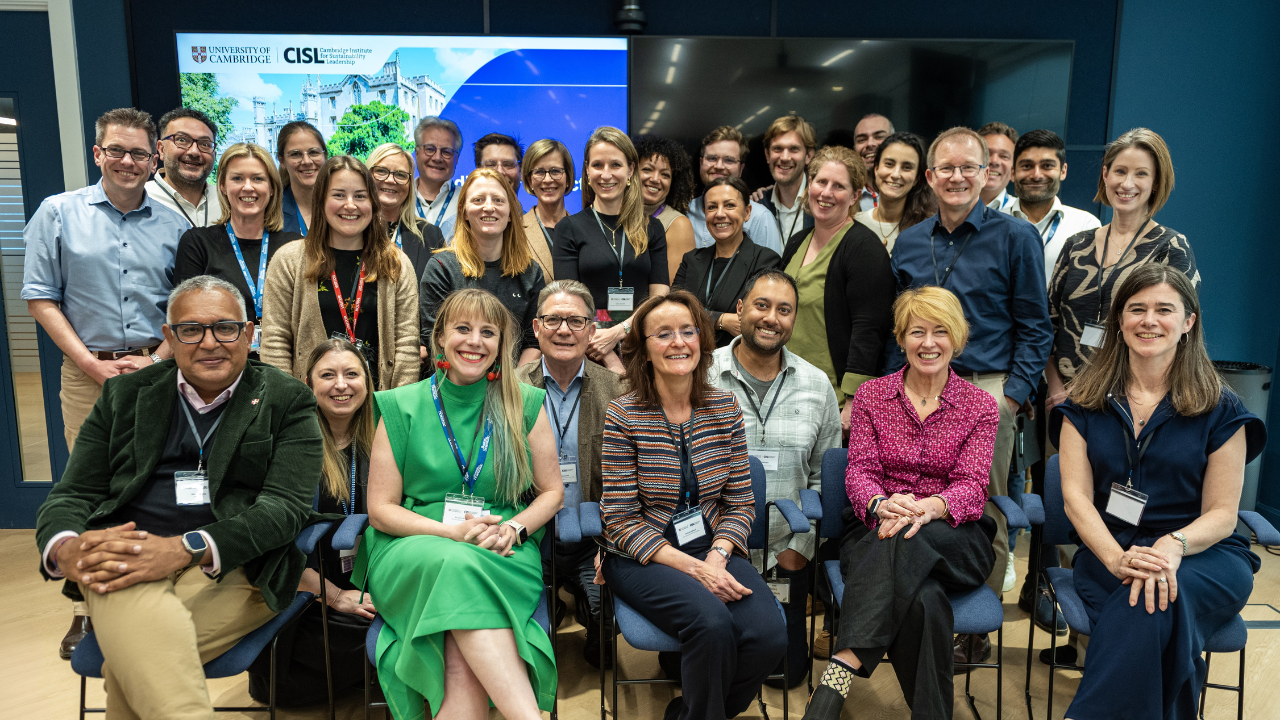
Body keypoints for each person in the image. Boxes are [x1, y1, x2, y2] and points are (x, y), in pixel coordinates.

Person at [35, 275, 324, 719]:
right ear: (169, 338)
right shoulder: (124, 394)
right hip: (122, 553)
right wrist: (66, 548)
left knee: (132, 661)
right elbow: (73, 493)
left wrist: (183, 549)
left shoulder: (286, 400)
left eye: (226, 328)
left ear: (249, 334)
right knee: (137, 619)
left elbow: (284, 511)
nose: (210, 343)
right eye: (191, 329)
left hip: (235, 566)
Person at [1050, 265, 1264, 720]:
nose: (1149, 320)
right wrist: (1115, 557)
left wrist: (1172, 545)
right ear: (1119, 321)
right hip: (1110, 550)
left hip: (1205, 555)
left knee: (1152, 597)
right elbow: (1076, 499)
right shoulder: (1083, 403)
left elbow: (1224, 514)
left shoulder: (1222, 409)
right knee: (1153, 603)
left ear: (1188, 321)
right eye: (1136, 309)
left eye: (1164, 309)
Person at [359, 287, 564, 719]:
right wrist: (449, 533)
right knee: (454, 562)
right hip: (414, 544)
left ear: (502, 345)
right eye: (463, 329)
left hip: (500, 544)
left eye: (488, 332)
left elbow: (552, 492)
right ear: (440, 338)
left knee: (460, 660)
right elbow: (381, 509)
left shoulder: (525, 404)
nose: (475, 341)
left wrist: (515, 529)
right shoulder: (401, 405)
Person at [888, 126, 1052, 663]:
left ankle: (975, 624)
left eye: (969, 168)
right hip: (918, 384)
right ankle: (922, 603)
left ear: (987, 175)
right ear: (930, 177)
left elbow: (1036, 326)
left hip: (986, 390)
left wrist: (1011, 396)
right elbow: (902, 325)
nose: (957, 177)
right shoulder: (910, 240)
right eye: (946, 169)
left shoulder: (1015, 236)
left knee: (983, 504)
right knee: (919, 491)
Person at [802, 286, 999, 720]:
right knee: (925, 600)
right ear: (901, 337)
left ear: (958, 337)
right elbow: (860, 473)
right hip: (877, 528)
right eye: (917, 332)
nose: (928, 343)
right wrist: (879, 504)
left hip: (954, 537)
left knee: (909, 538)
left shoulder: (980, 405)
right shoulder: (873, 396)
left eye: (940, 331)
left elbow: (971, 485)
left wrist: (930, 506)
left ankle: (844, 663)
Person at [600, 290, 788, 720]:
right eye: (663, 334)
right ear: (644, 349)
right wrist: (696, 569)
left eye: (687, 331)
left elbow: (740, 500)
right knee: (711, 624)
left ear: (702, 342)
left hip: (709, 545)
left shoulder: (724, 407)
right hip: (638, 555)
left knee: (769, 635)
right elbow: (620, 518)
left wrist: (718, 556)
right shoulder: (623, 415)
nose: (678, 342)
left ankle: (693, 714)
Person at [708, 269, 841, 687]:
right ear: (741, 309)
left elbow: (825, 477)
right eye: (762, 305)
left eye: (784, 310)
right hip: (712, 549)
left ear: (794, 320)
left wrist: (801, 548)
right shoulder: (701, 376)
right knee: (700, 669)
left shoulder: (817, 385)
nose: (772, 318)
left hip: (788, 549)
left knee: (786, 677)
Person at [247, 337, 377, 705]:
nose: (341, 384)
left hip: (366, 581)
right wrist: (335, 597)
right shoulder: (287, 446)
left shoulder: (382, 441)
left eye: (352, 374)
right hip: (302, 594)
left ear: (367, 384)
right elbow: (272, 545)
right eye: (327, 375)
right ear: (308, 384)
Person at [515, 279, 628, 667]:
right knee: (527, 635)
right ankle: (551, 601)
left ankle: (587, 605)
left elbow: (629, 481)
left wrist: (611, 543)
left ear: (592, 331)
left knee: (605, 645)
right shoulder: (509, 390)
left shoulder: (617, 391)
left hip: (594, 537)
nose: (564, 330)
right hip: (530, 534)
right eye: (554, 320)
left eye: (576, 321)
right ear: (536, 327)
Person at [261, 155, 420, 391]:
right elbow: (275, 343)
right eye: (338, 195)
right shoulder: (288, 261)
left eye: (360, 196)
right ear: (321, 201)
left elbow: (407, 345)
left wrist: (394, 412)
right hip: (309, 408)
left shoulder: (396, 263)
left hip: (378, 404)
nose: (350, 205)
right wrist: (292, 410)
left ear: (373, 203)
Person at [780, 146, 896, 423]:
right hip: (787, 390)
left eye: (839, 186)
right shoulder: (798, 241)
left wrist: (854, 400)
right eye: (821, 181)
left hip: (833, 399)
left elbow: (869, 329)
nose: (826, 193)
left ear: (856, 195)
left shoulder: (863, 248)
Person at [553, 126, 670, 373]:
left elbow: (659, 298)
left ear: (630, 170)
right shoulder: (569, 228)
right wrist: (606, 353)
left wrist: (619, 332)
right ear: (587, 171)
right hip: (590, 348)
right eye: (597, 165)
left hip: (643, 346)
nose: (606, 175)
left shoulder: (653, 228)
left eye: (615, 165)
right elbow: (568, 302)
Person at [173, 142, 302, 357]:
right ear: (222, 186)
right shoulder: (197, 243)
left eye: (258, 178)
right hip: (219, 363)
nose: (248, 187)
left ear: (272, 188)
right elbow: (187, 319)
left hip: (283, 367)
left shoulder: (295, 246)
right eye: (237, 178)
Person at [420, 168, 545, 367]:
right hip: (453, 384)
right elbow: (432, 337)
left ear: (512, 213)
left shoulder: (530, 272)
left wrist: (512, 387)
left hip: (511, 386)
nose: (488, 207)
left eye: (498, 200)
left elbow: (533, 341)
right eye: (478, 200)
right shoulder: (442, 268)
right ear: (463, 211)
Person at [673, 177, 781, 348]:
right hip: (688, 359)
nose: (720, 213)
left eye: (729, 205)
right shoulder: (691, 260)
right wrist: (720, 319)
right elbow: (674, 311)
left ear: (747, 212)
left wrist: (697, 317)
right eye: (712, 207)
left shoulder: (765, 261)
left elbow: (754, 320)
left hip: (738, 362)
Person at [1005, 129, 1102, 283]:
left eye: (1047, 166)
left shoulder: (1086, 226)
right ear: (1012, 173)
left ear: (1063, 171)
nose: (1036, 175)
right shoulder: (991, 222)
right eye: (1026, 166)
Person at [685, 126, 784, 255]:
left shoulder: (760, 218)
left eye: (729, 160)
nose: (719, 166)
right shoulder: (685, 212)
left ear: (741, 168)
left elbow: (771, 273)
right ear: (701, 162)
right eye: (712, 158)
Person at [367, 142, 447, 283]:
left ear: (410, 185)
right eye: (381, 171)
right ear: (367, 176)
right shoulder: (350, 231)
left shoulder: (431, 236)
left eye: (401, 175)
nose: (391, 180)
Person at [854, 132, 935, 254]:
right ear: (876, 169)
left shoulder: (928, 230)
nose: (896, 174)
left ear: (917, 178)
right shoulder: (854, 223)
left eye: (907, 167)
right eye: (889, 164)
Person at [634, 133, 697, 282]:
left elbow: (675, 291)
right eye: (647, 169)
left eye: (665, 175)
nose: (655, 179)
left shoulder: (678, 224)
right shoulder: (614, 213)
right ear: (631, 172)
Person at [440, 132, 526, 241]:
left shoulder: (534, 226)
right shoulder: (452, 228)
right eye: (491, 165)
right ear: (478, 170)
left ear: (521, 171)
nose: (500, 171)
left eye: (508, 165)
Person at [145, 107, 221, 227]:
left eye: (205, 144)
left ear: (214, 155)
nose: (194, 152)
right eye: (182, 140)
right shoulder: (140, 199)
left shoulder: (227, 200)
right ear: (161, 149)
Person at [753, 115, 818, 242]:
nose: (785, 157)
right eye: (778, 149)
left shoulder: (823, 202)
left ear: (809, 155)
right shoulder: (758, 205)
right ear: (767, 155)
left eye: (794, 149)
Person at [521, 138, 575, 280]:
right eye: (539, 172)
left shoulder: (583, 228)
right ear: (529, 180)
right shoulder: (515, 231)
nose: (547, 179)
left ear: (568, 178)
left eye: (555, 171)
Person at [277, 121, 329, 236]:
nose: (306, 161)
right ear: (282, 161)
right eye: (296, 154)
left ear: (325, 156)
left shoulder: (342, 205)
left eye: (314, 152)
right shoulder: (272, 212)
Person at [413, 116, 463, 227]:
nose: (437, 158)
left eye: (446, 152)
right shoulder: (399, 198)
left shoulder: (468, 201)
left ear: (456, 159)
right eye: (430, 149)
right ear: (416, 153)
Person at [852, 113, 894, 212]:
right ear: (854, 149)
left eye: (879, 137)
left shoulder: (916, 194)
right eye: (862, 140)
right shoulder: (845, 196)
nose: (870, 143)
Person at [978, 121, 1018, 211]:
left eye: (1004, 156)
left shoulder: (1022, 215)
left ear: (1013, 171)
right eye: (987, 153)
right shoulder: (946, 205)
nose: (994, 161)